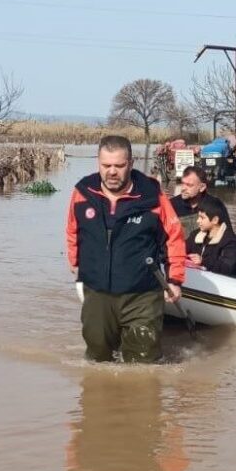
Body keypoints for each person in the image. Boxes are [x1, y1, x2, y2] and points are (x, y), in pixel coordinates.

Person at [66, 135, 186, 363]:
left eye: (119, 166)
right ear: (98, 163)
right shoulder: (82, 192)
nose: (112, 171)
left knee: (144, 364)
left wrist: (175, 279)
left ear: (131, 163)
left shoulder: (152, 195)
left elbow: (174, 236)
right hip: (97, 292)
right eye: (106, 165)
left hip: (142, 294)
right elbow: (72, 230)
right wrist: (74, 262)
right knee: (97, 359)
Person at [186, 195, 236, 276]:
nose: (198, 221)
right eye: (198, 217)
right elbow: (182, 248)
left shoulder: (231, 242)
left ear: (215, 220)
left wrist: (203, 261)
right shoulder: (195, 235)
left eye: (202, 218)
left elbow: (227, 268)